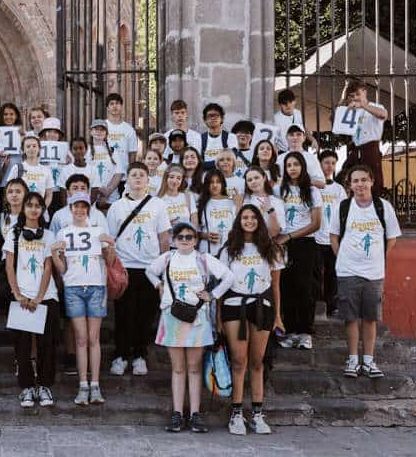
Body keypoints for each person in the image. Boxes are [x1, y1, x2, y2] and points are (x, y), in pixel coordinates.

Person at [147, 221, 233, 433]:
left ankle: (195, 413)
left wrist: (213, 295)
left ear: (195, 239)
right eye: (181, 237)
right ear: (174, 240)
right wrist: (158, 286)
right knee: (177, 368)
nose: (185, 240)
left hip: (197, 317)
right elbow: (149, 271)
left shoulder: (203, 259)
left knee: (194, 368)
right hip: (172, 316)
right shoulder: (167, 258)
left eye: (189, 237)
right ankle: (177, 413)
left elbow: (228, 277)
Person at [219, 205, 285, 435]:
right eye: (245, 217)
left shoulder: (271, 248)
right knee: (238, 361)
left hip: (261, 307)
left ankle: (257, 414)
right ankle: (236, 413)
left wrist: (277, 315)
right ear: (239, 220)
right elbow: (220, 285)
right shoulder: (229, 249)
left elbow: (275, 285)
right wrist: (218, 317)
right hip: (233, 307)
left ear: (259, 221)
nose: (249, 221)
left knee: (257, 362)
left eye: (253, 217)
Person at [330, 164, 400, 379]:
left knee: (370, 318)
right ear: (349, 185)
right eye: (355, 181)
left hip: (374, 273)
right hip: (347, 271)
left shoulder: (383, 207)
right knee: (350, 318)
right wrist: (343, 257)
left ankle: (368, 361)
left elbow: (392, 238)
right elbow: (333, 236)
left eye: (363, 180)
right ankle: (352, 360)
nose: (359, 184)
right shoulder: (342, 207)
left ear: (371, 181)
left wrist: (377, 257)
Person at [51, 191, 116, 405]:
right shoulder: (63, 233)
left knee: (93, 337)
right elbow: (62, 269)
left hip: (96, 286)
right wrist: (54, 255)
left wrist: (111, 245)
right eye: (75, 207)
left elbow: (110, 260)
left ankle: (95, 384)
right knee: (80, 338)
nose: (79, 210)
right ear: (70, 209)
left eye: (83, 206)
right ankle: (83, 384)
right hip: (73, 287)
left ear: (88, 209)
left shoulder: (97, 231)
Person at [107, 162, 172, 377]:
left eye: (141, 175)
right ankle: (120, 355)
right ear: (127, 179)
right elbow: (110, 240)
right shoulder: (117, 206)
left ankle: (139, 355)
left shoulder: (158, 205)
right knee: (124, 314)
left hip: (150, 268)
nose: (137, 178)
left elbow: (164, 237)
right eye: (133, 174)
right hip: (125, 267)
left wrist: (162, 267)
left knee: (145, 315)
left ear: (148, 180)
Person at [3, 192, 59, 408]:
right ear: (24, 208)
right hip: (21, 296)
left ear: (43, 210)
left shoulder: (48, 235)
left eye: (38, 206)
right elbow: (9, 266)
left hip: (46, 296)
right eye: (30, 205)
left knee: (47, 344)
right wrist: (18, 295)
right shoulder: (13, 233)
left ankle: (44, 385)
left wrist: (39, 297)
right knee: (22, 345)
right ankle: (26, 387)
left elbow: (47, 266)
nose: (34, 209)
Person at [275, 151, 323, 350]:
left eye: (296, 164)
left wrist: (290, 236)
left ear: (303, 167)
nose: (292, 168)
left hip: (304, 242)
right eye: (289, 165)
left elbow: (316, 223)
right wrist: (281, 238)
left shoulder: (312, 191)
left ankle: (305, 332)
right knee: (286, 286)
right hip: (282, 243)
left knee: (304, 287)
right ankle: (290, 330)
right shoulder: (279, 190)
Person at [341, 80, 388, 198]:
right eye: (352, 96)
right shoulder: (351, 111)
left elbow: (383, 114)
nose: (355, 97)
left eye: (357, 94)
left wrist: (363, 106)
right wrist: (344, 99)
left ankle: (375, 206)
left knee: (373, 181)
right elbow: (336, 121)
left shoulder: (375, 107)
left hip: (370, 149)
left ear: (365, 92)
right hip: (356, 150)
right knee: (346, 177)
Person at [317, 150, 347, 317]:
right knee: (316, 274)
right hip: (316, 237)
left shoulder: (339, 189)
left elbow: (343, 215)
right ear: (320, 164)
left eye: (333, 163)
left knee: (332, 274)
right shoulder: (314, 187)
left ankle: (331, 305)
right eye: (326, 162)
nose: (329, 166)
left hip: (332, 239)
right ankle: (317, 304)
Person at [5, 134, 55, 208]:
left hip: (39, 210)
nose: (31, 148)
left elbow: (49, 195)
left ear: (39, 149)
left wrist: (42, 209)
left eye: (34, 146)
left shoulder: (46, 170)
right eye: (28, 146)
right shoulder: (17, 168)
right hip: (21, 210)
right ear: (23, 150)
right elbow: (8, 190)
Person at [196, 170, 237, 257]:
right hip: (206, 251)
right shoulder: (200, 203)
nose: (215, 185)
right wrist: (204, 235)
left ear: (223, 184)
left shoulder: (232, 201)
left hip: (229, 250)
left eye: (218, 182)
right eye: (211, 182)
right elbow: (194, 230)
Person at [157, 164, 197, 248]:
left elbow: (194, 222)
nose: (175, 181)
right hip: (168, 245)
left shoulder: (188, 197)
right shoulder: (158, 200)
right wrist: (167, 225)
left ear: (182, 181)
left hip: (187, 245)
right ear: (166, 178)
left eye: (178, 178)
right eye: (171, 177)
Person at [88, 119, 124, 209]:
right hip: (90, 197)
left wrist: (107, 192)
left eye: (102, 130)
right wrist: (99, 190)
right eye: (96, 129)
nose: (99, 132)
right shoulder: (85, 150)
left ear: (106, 133)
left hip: (111, 199)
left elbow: (119, 173)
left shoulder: (113, 151)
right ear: (91, 132)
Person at [242, 165, 285, 238]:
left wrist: (271, 212)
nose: (253, 182)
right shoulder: (245, 202)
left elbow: (274, 233)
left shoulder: (277, 202)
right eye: (249, 180)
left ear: (264, 178)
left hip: (268, 245)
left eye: (256, 178)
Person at [105, 93, 139, 172]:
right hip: (105, 174)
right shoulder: (102, 127)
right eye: (111, 104)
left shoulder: (129, 129)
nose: (114, 106)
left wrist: (130, 172)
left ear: (121, 106)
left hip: (124, 174)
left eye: (117, 103)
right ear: (107, 108)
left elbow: (132, 153)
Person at [200, 103, 238, 170]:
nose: (213, 118)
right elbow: (199, 164)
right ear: (205, 120)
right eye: (210, 116)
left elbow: (232, 158)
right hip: (206, 178)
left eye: (216, 115)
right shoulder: (200, 138)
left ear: (222, 118)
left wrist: (207, 164)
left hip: (225, 177)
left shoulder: (231, 137)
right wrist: (221, 162)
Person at [0, 102, 24, 188]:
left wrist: (23, 138)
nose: (8, 117)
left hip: (17, 173)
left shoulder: (22, 133)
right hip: (1, 173)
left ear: (16, 116)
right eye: (5, 114)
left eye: (11, 114)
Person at [273, 88, 305, 152]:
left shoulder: (298, 113)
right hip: (282, 151)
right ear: (280, 105)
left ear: (294, 102)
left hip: (297, 149)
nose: (288, 105)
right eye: (284, 103)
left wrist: (313, 139)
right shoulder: (275, 118)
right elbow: (273, 139)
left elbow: (303, 127)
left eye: (290, 102)